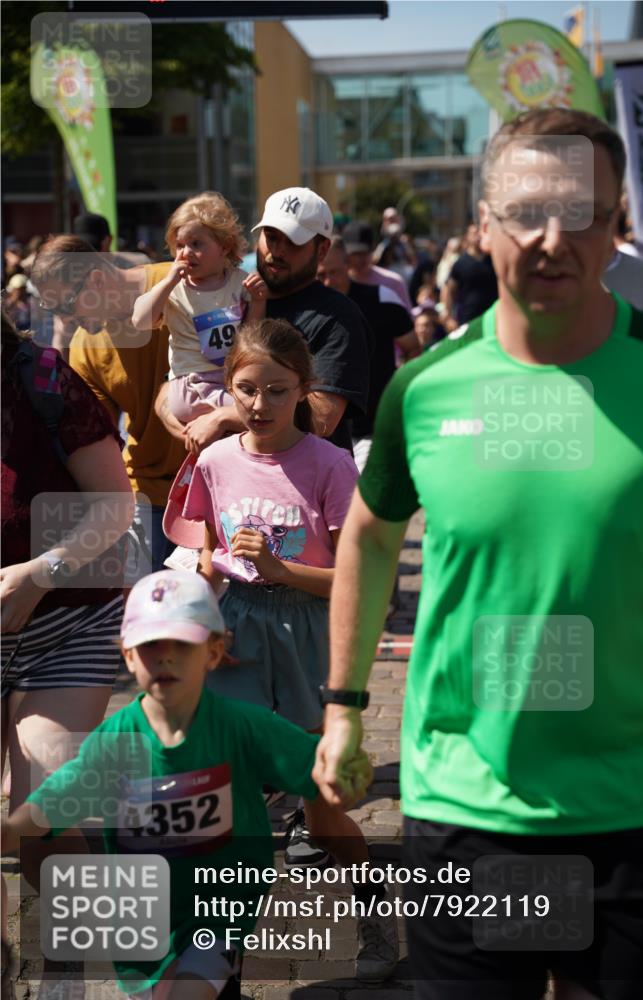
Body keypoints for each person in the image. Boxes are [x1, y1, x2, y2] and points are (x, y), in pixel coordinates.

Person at [313, 107, 643, 1000]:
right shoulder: (423, 391)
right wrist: (346, 706)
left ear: (615, 221)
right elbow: (366, 530)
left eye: (581, 211)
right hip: (468, 811)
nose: (552, 238)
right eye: (524, 210)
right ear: (482, 225)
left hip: (640, 813)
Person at [3, 569, 379, 998]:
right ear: (127, 656)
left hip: (218, 911)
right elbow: (57, 799)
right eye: (149, 646)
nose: (165, 657)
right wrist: (12, 831)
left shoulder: (242, 726)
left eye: (182, 645)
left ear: (214, 653)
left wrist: (344, 773)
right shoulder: (115, 740)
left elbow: (316, 764)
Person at [176, 319, 398, 980]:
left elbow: (359, 580)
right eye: (245, 388)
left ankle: (373, 917)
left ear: (303, 390)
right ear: (227, 386)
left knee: (321, 804)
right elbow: (208, 550)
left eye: (276, 390)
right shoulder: (214, 462)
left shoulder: (330, 466)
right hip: (235, 638)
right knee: (225, 803)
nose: (258, 404)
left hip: (309, 634)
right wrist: (195, 599)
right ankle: (220, 951)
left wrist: (282, 572)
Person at [1, 310, 134, 994]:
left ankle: (64, 969)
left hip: (67, 622)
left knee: (43, 805)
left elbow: (117, 505)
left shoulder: (48, 380)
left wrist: (40, 572)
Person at [159, 188, 370, 457]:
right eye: (271, 237)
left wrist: (224, 417)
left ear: (322, 250)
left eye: (293, 242)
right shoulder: (228, 291)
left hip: (308, 490)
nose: (277, 252)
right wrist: (174, 412)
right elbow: (175, 381)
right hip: (235, 486)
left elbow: (321, 418)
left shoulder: (338, 317)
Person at [30, 236, 187, 573]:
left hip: (221, 485)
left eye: (66, 305)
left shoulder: (181, 282)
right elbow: (95, 444)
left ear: (97, 279)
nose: (66, 319)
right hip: (151, 497)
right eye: (52, 310)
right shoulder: (85, 345)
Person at [132, 192, 268, 424]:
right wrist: (167, 283)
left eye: (196, 244)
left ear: (224, 247)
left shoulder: (238, 282)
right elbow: (140, 321)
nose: (185, 253)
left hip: (231, 380)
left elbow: (251, 336)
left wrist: (258, 301)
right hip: (191, 386)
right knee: (257, 411)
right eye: (180, 245)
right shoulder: (172, 288)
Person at [316, 236, 417, 472]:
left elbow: (413, 346)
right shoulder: (307, 306)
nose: (329, 281)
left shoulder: (382, 298)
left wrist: (400, 387)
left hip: (375, 427)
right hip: (324, 433)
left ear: (347, 265)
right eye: (321, 275)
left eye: (335, 272)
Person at [342, 221, 412, 312]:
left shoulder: (393, 282)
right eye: (355, 253)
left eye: (365, 252)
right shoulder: (335, 281)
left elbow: (409, 319)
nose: (360, 259)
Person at [443, 222, 498, 330]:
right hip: (468, 319)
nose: (477, 236)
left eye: (480, 233)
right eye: (474, 233)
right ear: (467, 237)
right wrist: (448, 317)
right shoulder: (460, 263)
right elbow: (449, 290)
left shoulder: (494, 260)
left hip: (493, 318)